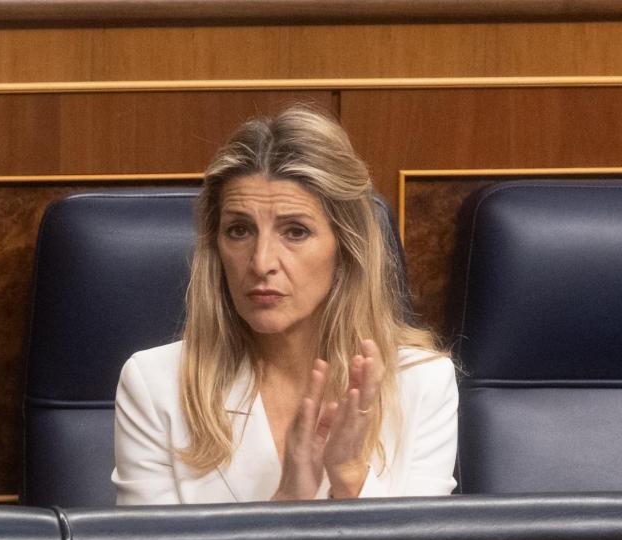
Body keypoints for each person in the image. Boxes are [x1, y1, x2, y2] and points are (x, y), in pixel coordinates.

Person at [112, 105, 457, 505]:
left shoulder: (422, 382)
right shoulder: (155, 386)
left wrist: (349, 479)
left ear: (346, 248)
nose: (261, 263)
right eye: (239, 231)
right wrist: (290, 495)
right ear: (215, 247)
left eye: (295, 231)